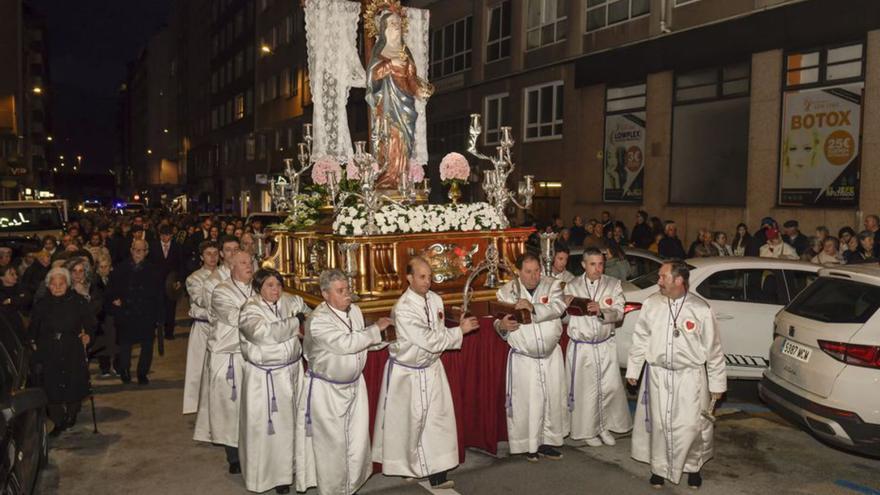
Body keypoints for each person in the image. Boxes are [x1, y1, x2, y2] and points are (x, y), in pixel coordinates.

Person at [372, 257, 480, 489]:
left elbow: (437, 330)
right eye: (422, 277)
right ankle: (407, 467)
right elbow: (428, 340)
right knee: (408, 424)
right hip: (408, 373)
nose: (427, 281)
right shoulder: (403, 308)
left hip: (431, 369)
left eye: (430, 276)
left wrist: (455, 323)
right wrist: (459, 332)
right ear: (409, 278)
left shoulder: (435, 299)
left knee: (438, 422)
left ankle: (438, 471)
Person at [626, 261, 726, 489]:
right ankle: (658, 469)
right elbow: (640, 338)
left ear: (679, 280)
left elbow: (714, 349)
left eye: (663, 277)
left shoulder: (700, 309)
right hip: (658, 375)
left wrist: (717, 384)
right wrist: (634, 369)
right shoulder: (652, 304)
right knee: (660, 425)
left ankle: (693, 467)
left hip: (690, 377)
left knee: (691, 426)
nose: (658, 282)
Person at [296, 269, 392, 495]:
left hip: (355, 386)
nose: (347, 294)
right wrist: (375, 329)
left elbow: (361, 342)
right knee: (332, 446)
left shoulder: (355, 311)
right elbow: (345, 344)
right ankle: (332, 491)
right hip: (327, 390)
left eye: (347, 289)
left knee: (356, 442)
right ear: (325, 294)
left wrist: (385, 341)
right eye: (340, 291)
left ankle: (350, 487)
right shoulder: (317, 321)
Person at [239, 268, 310, 494]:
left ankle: (293, 468)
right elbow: (263, 334)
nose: (276, 290)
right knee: (271, 429)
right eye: (270, 285)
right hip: (266, 377)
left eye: (278, 284)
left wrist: (302, 325)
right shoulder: (250, 309)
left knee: (294, 423)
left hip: (292, 371)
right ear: (259, 288)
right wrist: (294, 324)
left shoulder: (290, 301)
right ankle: (272, 475)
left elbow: (310, 316)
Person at [493, 253, 567, 461]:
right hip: (524, 358)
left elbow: (558, 307)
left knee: (551, 399)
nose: (534, 276)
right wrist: (502, 326)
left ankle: (547, 443)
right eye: (528, 272)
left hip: (550, 356)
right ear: (518, 272)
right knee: (527, 402)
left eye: (537, 271)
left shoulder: (553, 285)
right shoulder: (506, 292)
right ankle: (528, 445)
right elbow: (498, 321)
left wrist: (532, 308)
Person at [564, 248, 632, 447]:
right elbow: (563, 316)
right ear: (584, 265)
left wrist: (601, 311)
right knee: (585, 391)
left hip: (604, 345)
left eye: (600, 264)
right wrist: (564, 303)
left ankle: (604, 426)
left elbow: (619, 312)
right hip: (582, 347)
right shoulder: (572, 286)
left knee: (608, 388)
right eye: (592, 264)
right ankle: (586, 430)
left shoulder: (613, 284)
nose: (597, 268)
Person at [197, 250, 253, 474]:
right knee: (230, 407)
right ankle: (233, 455)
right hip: (228, 355)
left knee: (251, 407)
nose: (249, 266)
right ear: (232, 267)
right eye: (243, 262)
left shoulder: (258, 287)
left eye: (250, 262)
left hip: (252, 356)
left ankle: (252, 449)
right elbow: (236, 318)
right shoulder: (221, 291)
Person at [366, 5, 433, 190]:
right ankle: (387, 179)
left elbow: (411, 78)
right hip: (387, 106)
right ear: (384, 28)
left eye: (398, 23)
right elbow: (372, 78)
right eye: (392, 23)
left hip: (405, 105)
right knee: (390, 141)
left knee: (404, 142)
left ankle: (402, 180)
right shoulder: (379, 53)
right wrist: (389, 65)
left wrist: (419, 91)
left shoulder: (405, 52)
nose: (397, 26)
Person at [29, 267, 96, 436]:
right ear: (48, 285)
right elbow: (33, 328)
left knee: (73, 382)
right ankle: (58, 420)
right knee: (50, 385)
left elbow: (90, 323)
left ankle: (72, 414)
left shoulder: (78, 301)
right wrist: (32, 343)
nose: (57, 287)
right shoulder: (41, 304)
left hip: (71, 346)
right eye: (53, 284)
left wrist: (88, 335)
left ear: (67, 285)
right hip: (48, 348)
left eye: (61, 284)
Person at [106, 238, 164, 385]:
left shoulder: (154, 270)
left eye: (142, 250)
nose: (139, 253)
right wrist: (115, 300)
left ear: (147, 252)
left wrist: (159, 316)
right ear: (131, 250)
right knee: (125, 345)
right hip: (126, 313)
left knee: (147, 345)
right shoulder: (120, 268)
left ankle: (142, 373)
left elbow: (159, 294)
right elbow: (111, 290)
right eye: (136, 250)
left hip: (147, 314)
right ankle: (124, 371)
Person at [182, 241, 220, 415]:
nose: (212, 257)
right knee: (199, 369)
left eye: (215, 253)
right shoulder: (194, 278)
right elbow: (201, 300)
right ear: (201, 257)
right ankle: (199, 407)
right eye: (208, 254)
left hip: (222, 328)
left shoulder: (226, 274)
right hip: (203, 327)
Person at [150, 225, 184, 340]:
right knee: (157, 307)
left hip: (171, 283)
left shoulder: (177, 247)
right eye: (163, 235)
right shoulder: (153, 246)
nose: (166, 238)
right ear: (160, 235)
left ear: (171, 236)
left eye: (168, 235)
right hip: (157, 282)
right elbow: (149, 264)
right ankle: (157, 329)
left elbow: (180, 265)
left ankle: (169, 332)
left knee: (171, 308)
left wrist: (179, 280)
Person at [93, 253, 117, 378]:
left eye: (106, 266)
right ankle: (105, 368)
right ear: (97, 268)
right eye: (101, 267)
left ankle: (118, 367)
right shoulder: (94, 282)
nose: (104, 269)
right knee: (102, 342)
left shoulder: (115, 279)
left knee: (116, 341)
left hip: (114, 315)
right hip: (101, 317)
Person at [0, 264, 31, 338]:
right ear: (2, 277)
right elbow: (6, 309)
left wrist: (11, 300)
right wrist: (19, 299)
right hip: (8, 328)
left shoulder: (21, 287)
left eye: (15, 274)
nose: (16, 277)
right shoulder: (1, 292)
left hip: (26, 322)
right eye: (12, 274)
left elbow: (28, 299)